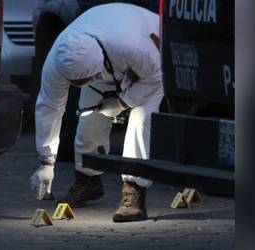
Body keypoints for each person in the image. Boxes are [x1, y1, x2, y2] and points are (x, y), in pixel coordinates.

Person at [29, 3, 164, 222]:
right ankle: (88, 180)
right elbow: (50, 107)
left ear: (98, 65)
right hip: (109, 57)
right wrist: (46, 162)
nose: (80, 83)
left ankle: (134, 191)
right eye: (77, 82)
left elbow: (156, 77)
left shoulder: (134, 46)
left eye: (85, 79)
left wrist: (122, 102)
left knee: (141, 119)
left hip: (150, 54)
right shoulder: (57, 61)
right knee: (89, 116)